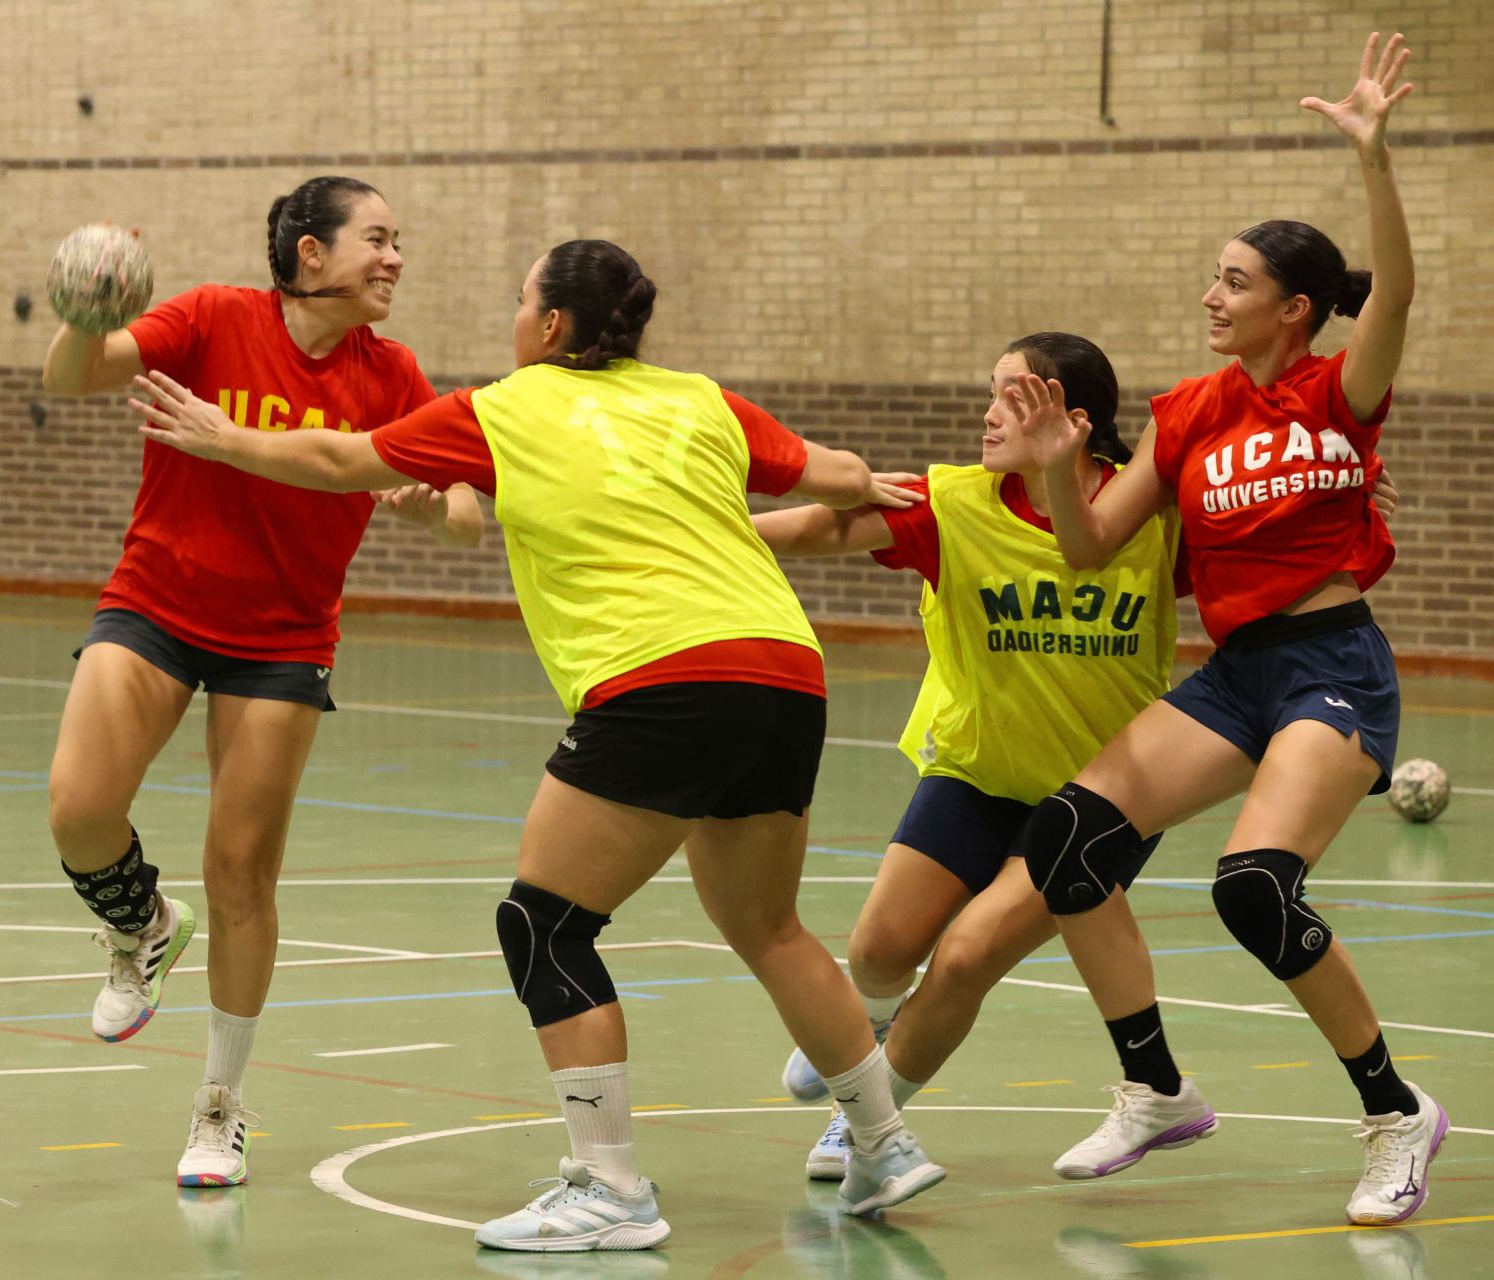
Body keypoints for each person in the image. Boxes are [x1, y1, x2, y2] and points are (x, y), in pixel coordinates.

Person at [128, 238, 946, 1250]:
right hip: (783, 669)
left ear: (552, 325)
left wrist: (220, 437)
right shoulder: (701, 400)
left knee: (545, 926)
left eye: (521, 300)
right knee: (769, 925)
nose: (514, 316)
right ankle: (884, 1139)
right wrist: (900, 487)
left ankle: (611, 1189)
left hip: (663, 676)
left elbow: (343, 457)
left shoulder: (505, 407)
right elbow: (840, 473)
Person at [1000, 33, 1446, 1225]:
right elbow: (1090, 546)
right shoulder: (1188, 411)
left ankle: (1397, 1112)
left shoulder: (1334, 393)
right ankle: (1154, 1086)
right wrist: (1053, 472)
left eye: (1235, 280)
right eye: (1214, 276)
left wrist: (1375, 162)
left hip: (1332, 668)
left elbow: (1396, 291)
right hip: (1235, 671)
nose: (1212, 294)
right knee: (1066, 841)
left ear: (1293, 310)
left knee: (1254, 887)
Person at [39, 176, 481, 1189]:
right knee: (79, 808)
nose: (395, 259)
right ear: (311, 254)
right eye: (377, 239)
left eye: (398, 241)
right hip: (156, 599)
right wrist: (80, 318)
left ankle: (219, 1108)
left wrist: (427, 504)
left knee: (242, 874)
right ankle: (139, 921)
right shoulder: (210, 317)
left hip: (282, 637)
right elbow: (79, 377)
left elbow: (464, 509)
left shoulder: (394, 371)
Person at [755, 333, 1181, 1179]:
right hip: (977, 773)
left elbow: (1262, 554)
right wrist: (710, 529)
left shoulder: (1152, 518)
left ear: (1073, 420)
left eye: (1012, 396)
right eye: (989, 391)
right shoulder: (956, 502)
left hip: (1099, 799)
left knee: (966, 956)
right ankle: (867, 1030)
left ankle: (869, 1114)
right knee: (877, 953)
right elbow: (824, 526)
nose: (987, 413)